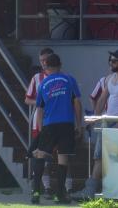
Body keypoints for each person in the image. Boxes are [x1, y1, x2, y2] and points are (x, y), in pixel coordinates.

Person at [72, 49, 118, 201]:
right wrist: (95, 119)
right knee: (99, 157)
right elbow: (102, 99)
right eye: (110, 60)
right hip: (107, 122)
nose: (111, 63)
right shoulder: (109, 78)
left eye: (114, 60)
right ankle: (90, 192)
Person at [31, 53, 82, 205]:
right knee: (63, 156)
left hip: (49, 124)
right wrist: (79, 124)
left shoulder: (43, 84)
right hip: (66, 123)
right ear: (60, 65)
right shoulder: (69, 79)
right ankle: (59, 195)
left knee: (40, 155)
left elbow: (39, 108)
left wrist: (40, 128)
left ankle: (35, 193)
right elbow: (77, 102)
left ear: (46, 67)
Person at [25, 48, 72, 197]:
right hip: (40, 122)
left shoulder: (65, 78)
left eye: (46, 61)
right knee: (41, 155)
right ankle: (45, 187)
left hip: (59, 121)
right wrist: (44, 101)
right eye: (41, 61)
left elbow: (73, 100)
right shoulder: (37, 78)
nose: (44, 64)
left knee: (63, 154)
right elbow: (27, 99)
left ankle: (66, 188)